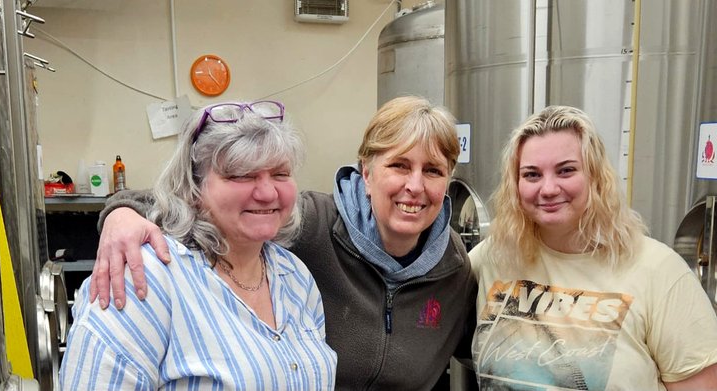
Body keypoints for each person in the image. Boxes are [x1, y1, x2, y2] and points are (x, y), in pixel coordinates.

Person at [90, 96, 477, 390]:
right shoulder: (309, 224)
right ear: (367, 172)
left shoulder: (453, 266)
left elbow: (484, 348)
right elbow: (182, 202)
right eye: (398, 165)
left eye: (433, 170)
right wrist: (121, 215)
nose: (415, 185)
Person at [60, 101, 337, 390]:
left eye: (280, 174)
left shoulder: (294, 276)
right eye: (241, 175)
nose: (268, 192)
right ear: (193, 188)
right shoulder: (145, 276)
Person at [470, 105, 717, 390]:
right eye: (532, 175)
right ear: (515, 185)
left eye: (566, 171)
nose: (548, 188)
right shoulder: (495, 256)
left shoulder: (659, 271)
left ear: (595, 177)